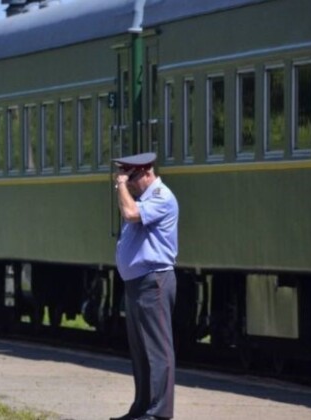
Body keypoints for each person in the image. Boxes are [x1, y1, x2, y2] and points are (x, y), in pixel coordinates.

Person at [110, 152, 179, 420]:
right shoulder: (143, 198)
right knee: (140, 352)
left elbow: (129, 214)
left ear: (147, 172)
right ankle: (142, 407)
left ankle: (159, 412)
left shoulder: (162, 197)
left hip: (154, 282)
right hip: (138, 283)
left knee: (158, 349)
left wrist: (120, 186)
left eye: (132, 177)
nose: (128, 183)